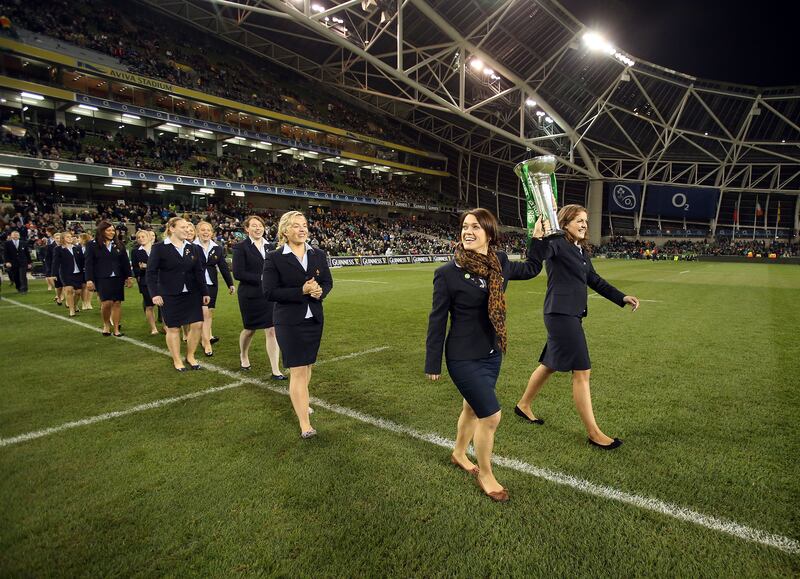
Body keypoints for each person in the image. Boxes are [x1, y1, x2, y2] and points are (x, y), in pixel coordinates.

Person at [425, 208, 543, 502]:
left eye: (476, 227)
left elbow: (531, 268)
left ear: (489, 234)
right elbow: (437, 320)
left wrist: (537, 239)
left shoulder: (499, 262)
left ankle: (458, 453)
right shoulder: (447, 274)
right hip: (463, 357)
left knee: (471, 409)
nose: (468, 231)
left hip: (492, 353)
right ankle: (486, 474)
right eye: (465, 226)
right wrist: (432, 362)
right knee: (491, 416)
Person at [516, 205, 640, 450]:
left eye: (586, 220)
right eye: (579, 221)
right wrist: (538, 236)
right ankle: (594, 433)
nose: (584, 225)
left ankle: (523, 405)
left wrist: (621, 297)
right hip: (560, 315)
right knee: (582, 372)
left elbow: (593, 279)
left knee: (549, 365)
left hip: (570, 314)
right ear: (565, 224)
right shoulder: (557, 242)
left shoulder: (580, 249)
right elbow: (539, 255)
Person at [262, 211, 333, 438]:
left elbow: (327, 282)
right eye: (296, 226)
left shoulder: (318, 254)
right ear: (285, 231)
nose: (302, 229)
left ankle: (303, 402)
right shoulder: (274, 257)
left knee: (307, 367)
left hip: (314, 319)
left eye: (304, 225)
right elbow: (269, 292)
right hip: (289, 321)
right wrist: (300, 290)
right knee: (298, 370)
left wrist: (320, 292)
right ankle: (305, 424)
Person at [146, 217, 210, 372]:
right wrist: (154, 294)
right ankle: (177, 360)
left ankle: (190, 355)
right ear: (172, 229)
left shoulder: (193, 248)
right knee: (173, 328)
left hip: (192, 293)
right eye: (182, 227)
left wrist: (205, 292)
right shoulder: (159, 248)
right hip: (169, 294)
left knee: (197, 324)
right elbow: (151, 273)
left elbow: (199, 272)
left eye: (188, 227)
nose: (187, 230)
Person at [232, 215, 284, 378]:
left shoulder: (271, 246)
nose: (257, 228)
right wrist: (261, 278)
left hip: (269, 295)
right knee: (249, 330)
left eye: (260, 225)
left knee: (272, 330)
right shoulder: (240, 247)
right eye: (253, 225)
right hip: (250, 295)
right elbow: (239, 273)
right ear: (247, 229)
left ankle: (275, 370)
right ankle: (243, 354)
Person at [84, 221, 133, 337]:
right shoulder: (92, 245)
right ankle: (106, 324)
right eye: (108, 230)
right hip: (101, 278)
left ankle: (116, 328)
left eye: (113, 230)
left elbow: (125, 262)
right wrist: (89, 279)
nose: (111, 232)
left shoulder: (119, 244)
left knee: (117, 303)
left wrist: (128, 276)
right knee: (107, 302)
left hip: (118, 277)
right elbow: (89, 264)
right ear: (102, 231)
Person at [194, 221, 235, 356]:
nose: (206, 233)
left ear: (212, 233)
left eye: (208, 230)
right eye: (203, 230)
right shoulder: (191, 246)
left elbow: (223, 267)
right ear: (197, 232)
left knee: (209, 312)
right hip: (196, 284)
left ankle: (204, 337)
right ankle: (206, 342)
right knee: (203, 313)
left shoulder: (217, 248)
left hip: (211, 284)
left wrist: (230, 283)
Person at [131, 229, 159, 335]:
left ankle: (166, 326)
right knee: (149, 305)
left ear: (149, 237)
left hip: (160, 280)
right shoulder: (135, 251)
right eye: (139, 237)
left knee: (163, 304)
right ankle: (153, 328)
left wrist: (147, 266)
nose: (141, 239)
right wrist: (142, 269)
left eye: (143, 237)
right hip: (145, 281)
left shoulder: (157, 249)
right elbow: (135, 268)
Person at [51, 231, 85, 317]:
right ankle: (71, 310)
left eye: (71, 236)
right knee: (69, 290)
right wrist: (54, 274)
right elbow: (55, 262)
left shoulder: (77, 248)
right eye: (67, 237)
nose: (70, 238)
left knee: (78, 292)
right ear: (63, 239)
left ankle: (74, 305)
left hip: (78, 273)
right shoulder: (58, 249)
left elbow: (82, 260)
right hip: (66, 273)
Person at [77, 232, 94, 310]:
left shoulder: (90, 247)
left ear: (83, 239)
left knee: (91, 287)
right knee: (83, 286)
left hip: (90, 269)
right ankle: (84, 302)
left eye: (79, 238)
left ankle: (89, 302)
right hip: (81, 270)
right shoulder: (77, 247)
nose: (78, 239)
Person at [43, 226, 57, 292]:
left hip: (56, 258)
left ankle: (57, 286)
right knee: (48, 272)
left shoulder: (57, 238)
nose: (46, 232)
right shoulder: (48, 240)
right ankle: (50, 285)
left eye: (47, 231)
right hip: (49, 258)